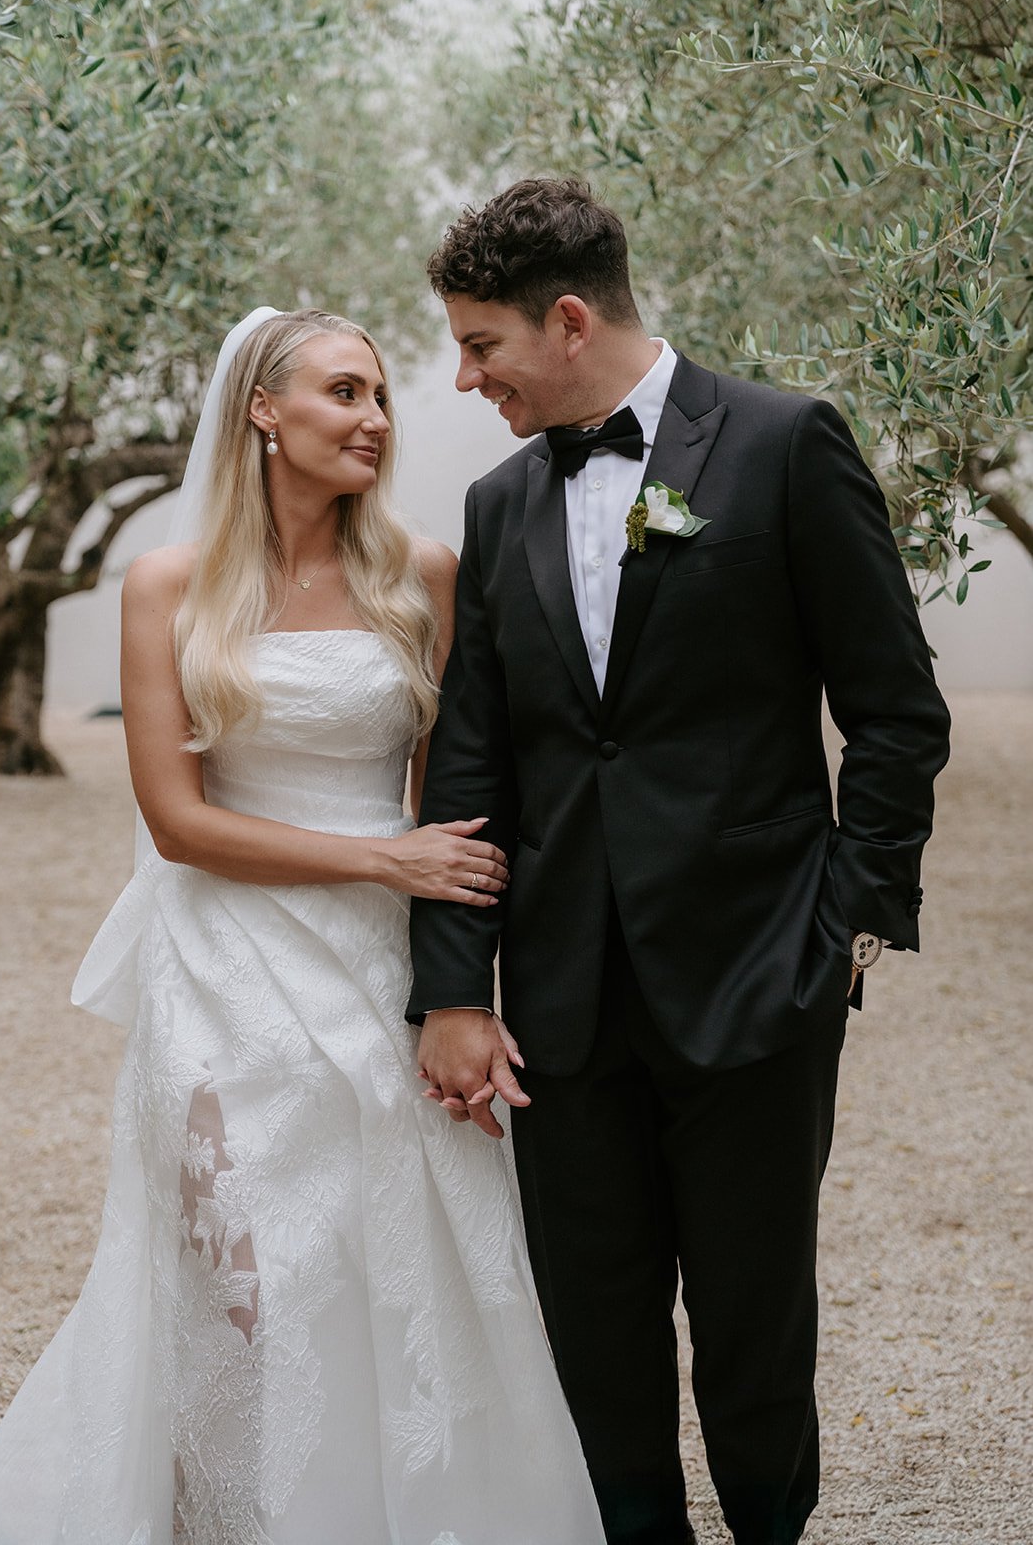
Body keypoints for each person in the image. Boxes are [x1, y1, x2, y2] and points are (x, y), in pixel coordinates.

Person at [0, 307, 606, 1545]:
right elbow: (178, 821)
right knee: (250, 1270)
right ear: (263, 410)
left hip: (378, 958)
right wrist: (379, 855)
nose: (376, 418)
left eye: (382, 396)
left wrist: (450, 965)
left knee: (394, 1251)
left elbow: (448, 794)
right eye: (345, 392)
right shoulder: (168, 587)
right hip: (222, 963)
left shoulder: (422, 573)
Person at [408, 180, 952, 1545]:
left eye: (480, 346)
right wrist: (453, 993)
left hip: (756, 974)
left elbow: (891, 709)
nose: (464, 376)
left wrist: (848, 918)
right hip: (562, 999)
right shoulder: (493, 506)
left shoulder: (780, 445)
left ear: (570, 319)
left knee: (753, 1328)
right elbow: (470, 763)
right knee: (591, 1335)